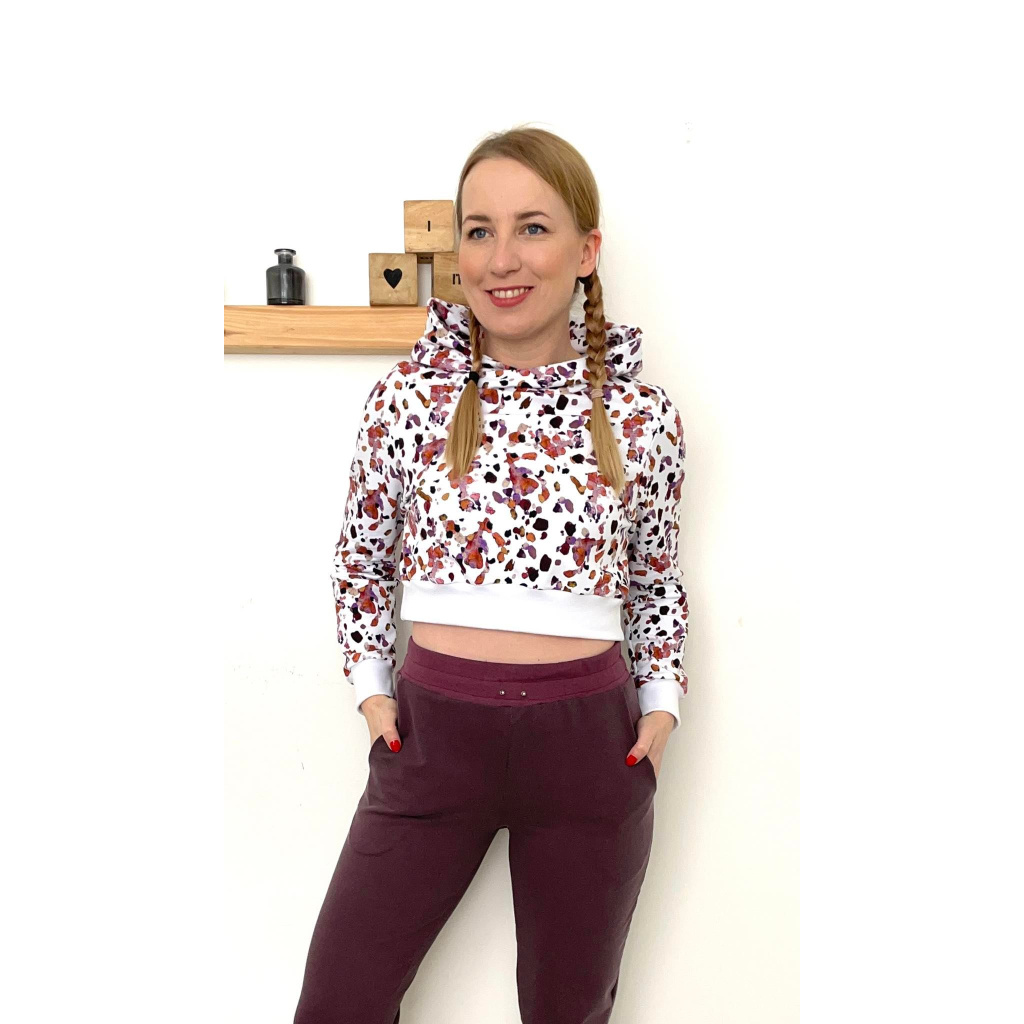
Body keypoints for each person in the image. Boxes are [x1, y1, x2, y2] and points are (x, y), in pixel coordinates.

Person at [293, 126, 690, 1024]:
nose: (501, 258)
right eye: (479, 231)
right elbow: (361, 556)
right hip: (432, 736)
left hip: (591, 744)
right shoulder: (408, 398)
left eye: (532, 228)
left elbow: (656, 577)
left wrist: (662, 703)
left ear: (586, 251)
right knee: (339, 1003)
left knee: (567, 1010)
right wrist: (372, 690)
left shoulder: (643, 414)